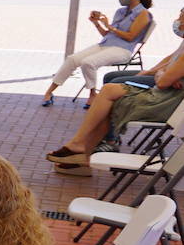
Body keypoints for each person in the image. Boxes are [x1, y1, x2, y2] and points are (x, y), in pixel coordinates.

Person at [45, 46, 184, 168]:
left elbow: (162, 82)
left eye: (181, 16)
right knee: (109, 93)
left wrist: (161, 73)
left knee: (109, 94)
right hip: (168, 99)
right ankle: (82, 151)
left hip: (166, 103)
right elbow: (168, 69)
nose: (178, 20)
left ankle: (83, 147)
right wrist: (162, 73)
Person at [41, 0, 154, 107]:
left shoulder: (144, 14)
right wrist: (96, 23)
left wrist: (109, 26)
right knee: (72, 59)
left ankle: (92, 94)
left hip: (122, 49)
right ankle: (49, 92)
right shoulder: (121, 11)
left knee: (88, 62)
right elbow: (107, 34)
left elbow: (130, 36)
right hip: (105, 44)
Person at [102, 8, 184, 88]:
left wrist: (154, 73)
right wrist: (152, 71)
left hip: (168, 82)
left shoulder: (142, 13)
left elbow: (164, 81)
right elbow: (172, 58)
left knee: (114, 83)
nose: (177, 21)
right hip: (163, 74)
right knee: (109, 77)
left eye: (180, 18)